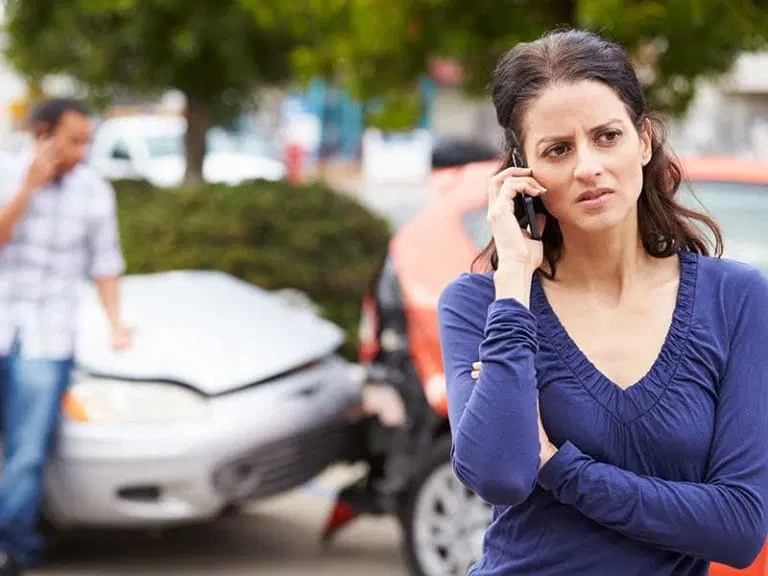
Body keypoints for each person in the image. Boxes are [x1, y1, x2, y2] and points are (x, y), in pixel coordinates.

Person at [437, 28, 768, 576]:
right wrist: (516, 275)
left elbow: (737, 526)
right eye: (558, 149)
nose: (587, 166)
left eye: (607, 136)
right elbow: (500, 472)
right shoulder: (481, 303)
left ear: (643, 141)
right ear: (525, 172)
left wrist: (560, 466)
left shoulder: (733, 300)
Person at [0, 98, 132, 574]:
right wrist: (27, 189)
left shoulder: (94, 190)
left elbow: (106, 262)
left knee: (27, 452)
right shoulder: (5, 171)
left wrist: (117, 323)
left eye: (87, 142)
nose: (81, 151)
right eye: (73, 140)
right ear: (41, 133)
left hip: (48, 335)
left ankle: (13, 547)